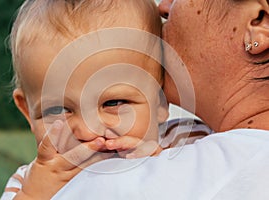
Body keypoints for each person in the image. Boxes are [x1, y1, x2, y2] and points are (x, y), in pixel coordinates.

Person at [34, 0, 269, 199]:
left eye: (114, 102)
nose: (164, 7)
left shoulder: (108, 187)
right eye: (59, 108)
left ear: (258, 23)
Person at [1, 0, 174, 199]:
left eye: (113, 103)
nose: (87, 131)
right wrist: (35, 194)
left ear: (161, 100)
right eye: (57, 109)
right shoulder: (27, 182)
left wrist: (166, 170)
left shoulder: (187, 145)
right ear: (28, 112)